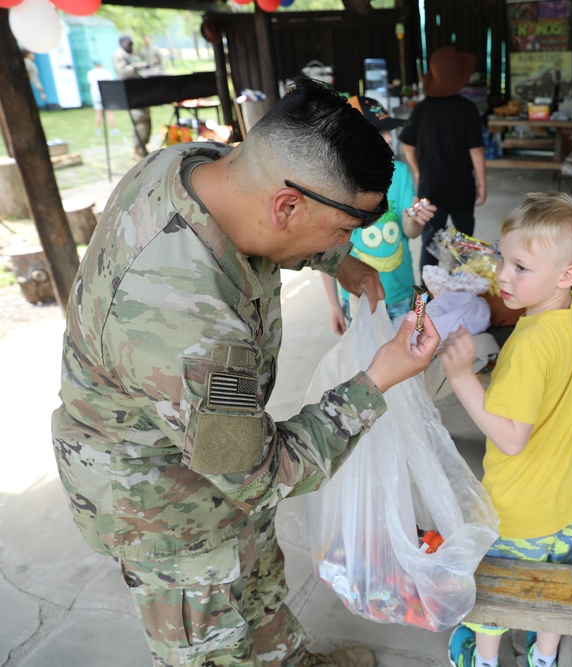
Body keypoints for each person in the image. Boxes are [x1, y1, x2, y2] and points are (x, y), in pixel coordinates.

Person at [50, 76, 441, 667]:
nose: (349, 240)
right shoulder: (186, 317)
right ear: (287, 207)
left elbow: (281, 205)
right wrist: (376, 380)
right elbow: (263, 474)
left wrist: (343, 261)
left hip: (211, 461)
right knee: (215, 639)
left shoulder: (199, 166)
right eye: (345, 229)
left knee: (258, 586)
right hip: (162, 504)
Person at [440, 192, 572, 667]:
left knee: (494, 596)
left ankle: (484, 660)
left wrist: (462, 379)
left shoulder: (527, 345)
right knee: (553, 593)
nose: (502, 274)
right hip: (568, 502)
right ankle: (544, 659)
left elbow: (511, 438)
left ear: (566, 275)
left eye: (521, 267)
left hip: (516, 510)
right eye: (503, 258)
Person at [323, 95, 438, 334]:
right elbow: (324, 251)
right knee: (366, 363)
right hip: (357, 297)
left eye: (388, 132)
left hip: (401, 293)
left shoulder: (402, 173)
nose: (388, 138)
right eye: (379, 132)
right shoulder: (333, 186)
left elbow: (411, 232)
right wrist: (333, 304)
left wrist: (415, 220)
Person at [399, 47, 486, 276]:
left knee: (429, 241)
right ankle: (462, 291)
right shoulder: (468, 109)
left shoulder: (421, 110)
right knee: (463, 243)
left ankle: (425, 299)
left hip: (431, 188)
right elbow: (476, 151)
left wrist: (418, 173)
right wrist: (483, 184)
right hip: (461, 186)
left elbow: (407, 146)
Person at [113, 35, 152, 161]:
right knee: (139, 119)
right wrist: (136, 66)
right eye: (128, 44)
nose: (131, 46)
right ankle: (136, 148)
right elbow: (122, 72)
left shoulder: (129, 54)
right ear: (122, 43)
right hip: (131, 93)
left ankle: (143, 146)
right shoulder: (119, 55)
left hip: (138, 91)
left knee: (146, 120)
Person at [86, 60, 116, 135]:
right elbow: (111, 84)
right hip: (106, 94)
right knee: (110, 112)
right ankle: (113, 129)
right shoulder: (106, 72)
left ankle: (98, 130)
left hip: (96, 95)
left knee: (98, 113)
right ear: (101, 64)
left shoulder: (90, 73)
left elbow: (90, 84)